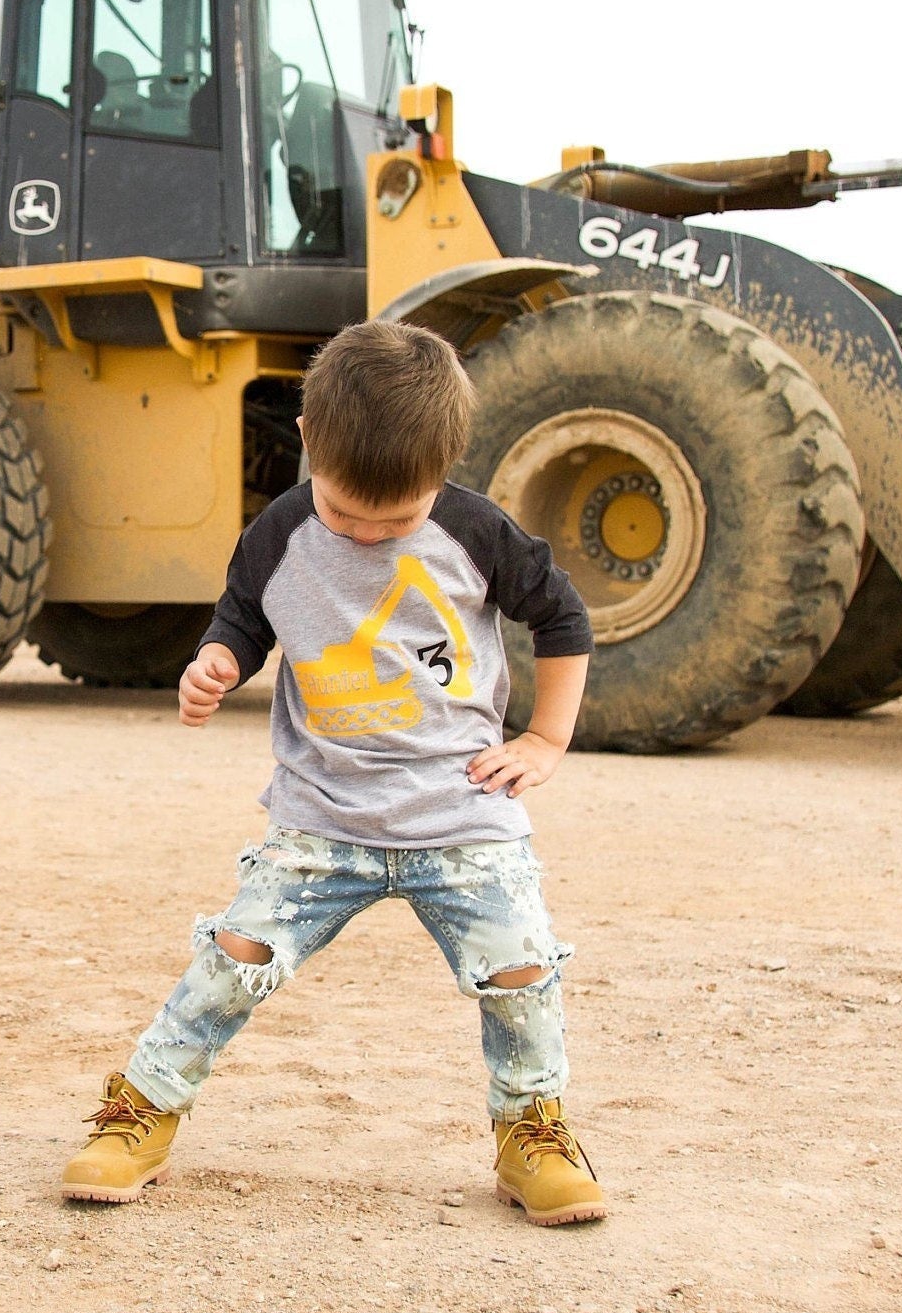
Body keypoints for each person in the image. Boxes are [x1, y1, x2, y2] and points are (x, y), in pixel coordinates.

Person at [62, 319, 605, 1226]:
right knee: (230, 961)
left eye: (393, 522)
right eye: (344, 513)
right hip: (322, 820)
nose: (362, 533)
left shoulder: (476, 532)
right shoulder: (278, 533)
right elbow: (241, 619)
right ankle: (142, 1110)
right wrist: (216, 664)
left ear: (445, 467)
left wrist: (545, 740)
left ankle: (531, 1131)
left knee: (520, 972)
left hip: (461, 812)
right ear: (308, 440)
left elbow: (564, 619)